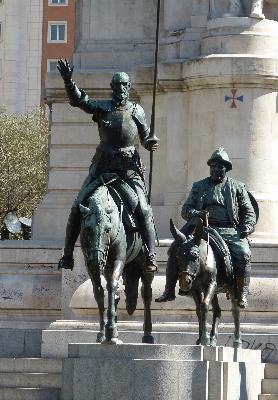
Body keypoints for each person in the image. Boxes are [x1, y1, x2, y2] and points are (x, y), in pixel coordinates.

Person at [57, 59, 158, 272]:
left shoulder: (137, 110)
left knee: (144, 210)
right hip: (102, 168)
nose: (121, 88)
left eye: (125, 85)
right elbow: (80, 101)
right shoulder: (103, 107)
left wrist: (150, 143)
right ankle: (67, 254)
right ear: (111, 87)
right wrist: (68, 82)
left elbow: (145, 136)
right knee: (78, 206)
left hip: (129, 170)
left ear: (129, 87)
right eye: (117, 84)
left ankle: (151, 254)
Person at [156, 147, 256, 308]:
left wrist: (247, 227)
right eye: (213, 166)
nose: (216, 169)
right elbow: (186, 210)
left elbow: (249, 211)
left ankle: (241, 292)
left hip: (229, 230)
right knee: (176, 248)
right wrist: (198, 213)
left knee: (244, 253)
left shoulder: (237, 187)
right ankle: (169, 289)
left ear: (227, 169)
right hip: (201, 228)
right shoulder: (199, 186)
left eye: (220, 167)